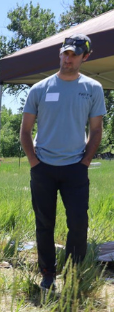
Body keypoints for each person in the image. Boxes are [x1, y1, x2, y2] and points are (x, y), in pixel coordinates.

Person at [20, 34, 105, 291]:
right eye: (65, 53)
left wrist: (85, 162)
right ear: (60, 53)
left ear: (85, 57)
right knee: (44, 224)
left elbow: (97, 130)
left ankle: (73, 273)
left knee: (78, 223)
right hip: (43, 167)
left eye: (74, 55)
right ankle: (48, 274)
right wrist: (34, 162)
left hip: (75, 168)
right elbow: (25, 131)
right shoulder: (40, 88)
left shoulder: (92, 89)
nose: (68, 59)